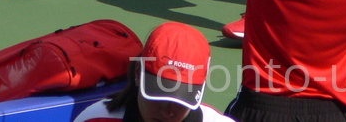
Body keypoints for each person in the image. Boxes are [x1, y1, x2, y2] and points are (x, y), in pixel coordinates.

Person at [72, 22, 229, 122]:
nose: (167, 112)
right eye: (158, 96)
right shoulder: (96, 119)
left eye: (178, 102)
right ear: (138, 73)